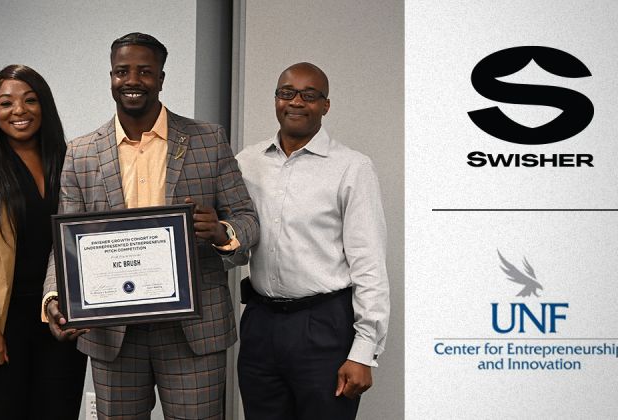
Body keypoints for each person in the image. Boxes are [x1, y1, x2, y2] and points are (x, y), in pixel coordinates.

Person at [42, 32, 258, 419]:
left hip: (193, 330)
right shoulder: (81, 152)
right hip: (114, 334)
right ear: (111, 77)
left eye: (145, 71)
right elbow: (67, 245)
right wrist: (55, 297)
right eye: (122, 71)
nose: (132, 80)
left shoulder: (208, 140)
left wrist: (222, 232)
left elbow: (248, 220)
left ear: (161, 77)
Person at [234, 62, 390, 420]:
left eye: (309, 95)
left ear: (325, 105)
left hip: (324, 327)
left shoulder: (352, 167)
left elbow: (369, 264)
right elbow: (236, 246)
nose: (296, 102)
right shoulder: (247, 162)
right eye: (287, 93)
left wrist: (363, 351)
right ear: (276, 99)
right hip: (260, 323)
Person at [0, 64, 87, 419]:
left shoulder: (70, 162)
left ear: (45, 106)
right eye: (6, 103)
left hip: (60, 322)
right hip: (1, 323)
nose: (19, 111)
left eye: (30, 100)